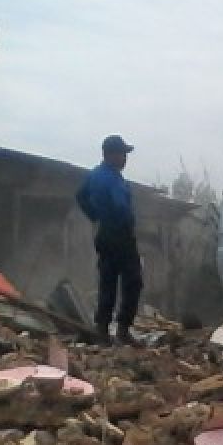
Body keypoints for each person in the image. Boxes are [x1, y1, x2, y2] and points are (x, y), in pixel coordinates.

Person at [75, 135, 142, 346]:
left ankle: (102, 331)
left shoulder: (95, 175)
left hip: (103, 234)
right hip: (120, 234)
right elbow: (121, 207)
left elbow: (80, 195)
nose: (125, 159)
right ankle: (123, 329)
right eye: (122, 154)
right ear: (110, 155)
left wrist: (94, 215)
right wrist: (128, 223)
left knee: (108, 282)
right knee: (133, 281)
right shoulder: (113, 178)